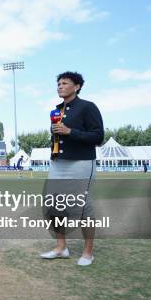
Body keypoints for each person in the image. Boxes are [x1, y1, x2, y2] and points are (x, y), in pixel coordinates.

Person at [40, 71, 103, 267]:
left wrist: (70, 131)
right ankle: (61, 248)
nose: (60, 86)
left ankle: (88, 252)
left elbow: (98, 137)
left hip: (81, 163)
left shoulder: (88, 107)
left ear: (76, 86)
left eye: (65, 83)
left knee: (83, 208)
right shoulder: (57, 110)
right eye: (58, 83)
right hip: (58, 163)